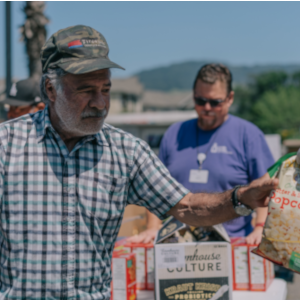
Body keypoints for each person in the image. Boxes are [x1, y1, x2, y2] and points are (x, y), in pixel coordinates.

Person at [0, 25, 278, 299]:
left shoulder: (126, 151)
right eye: (86, 90)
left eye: (106, 89)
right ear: (51, 89)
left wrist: (241, 198)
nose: (100, 103)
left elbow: (188, 207)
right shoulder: (7, 145)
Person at [130, 63, 274, 245]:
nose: (206, 107)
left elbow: (264, 188)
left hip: (232, 242)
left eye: (215, 102)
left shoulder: (248, 135)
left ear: (229, 98)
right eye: (200, 101)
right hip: (178, 242)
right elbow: (154, 187)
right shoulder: (175, 134)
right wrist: (152, 228)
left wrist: (260, 227)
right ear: (193, 96)